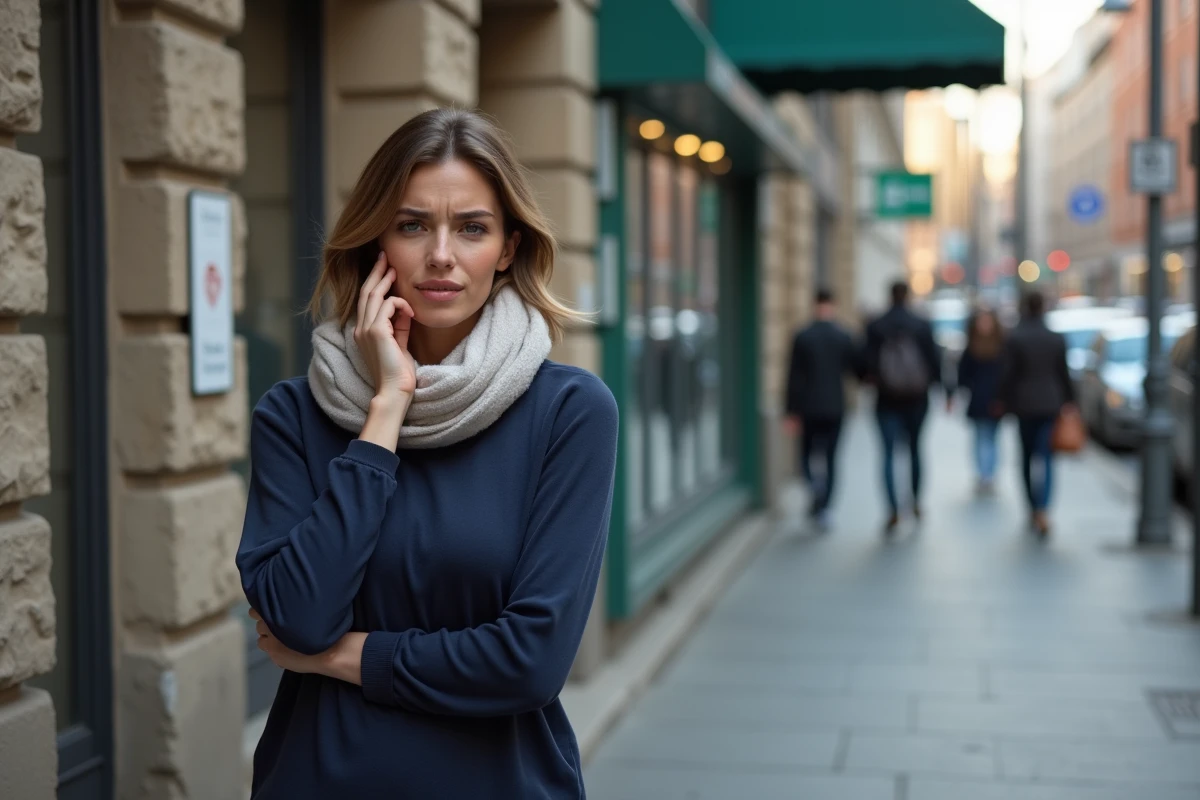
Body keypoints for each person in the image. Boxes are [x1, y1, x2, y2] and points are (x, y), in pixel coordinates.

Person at [235, 108, 619, 799]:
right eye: (413, 225)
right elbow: (297, 616)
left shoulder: (569, 413)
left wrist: (348, 656)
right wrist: (385, 412)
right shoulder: (293, 415)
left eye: (471, 227)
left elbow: (530, 661)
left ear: (507, 247)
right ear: (378, 240)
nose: (441, 254)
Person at [864, 281, 942, 533]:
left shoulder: (876, 325)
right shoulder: (921, 324)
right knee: (915, 450)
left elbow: (864, 363)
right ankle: (915, 501)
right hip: (917, 400)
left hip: (886, 400)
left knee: (887, 454)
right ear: (907, 296)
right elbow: (934, 361)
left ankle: (892, 509)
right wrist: (943, 389)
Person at [997, 290, 1075, 536]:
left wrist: (1001, 400)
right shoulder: (1055, 338)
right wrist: (1071, 401)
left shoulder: (1015, 337)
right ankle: (1043, 508)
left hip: (1024, 406)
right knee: (1047, 458)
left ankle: (1032, 507)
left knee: (1027, 458)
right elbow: (1064, 374)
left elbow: (1007, 375)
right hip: (1050, 404)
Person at [783, 288, 860, 526]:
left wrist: (790, 411)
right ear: (833, 305)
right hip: (835, 406)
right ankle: (825, 505)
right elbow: (856, 370)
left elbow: (794, 377)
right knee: (831, 458)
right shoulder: (843, 335)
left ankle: (815, 487)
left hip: (808, 407)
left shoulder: (803, 335)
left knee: (807, 455)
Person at [948, 308, 1006, 494]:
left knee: (991, 438)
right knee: (982, 437)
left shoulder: (1002, 347)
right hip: (979, 399)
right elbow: (962, 375)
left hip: (996, 399)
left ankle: (988, 474)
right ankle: (984, 475)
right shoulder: (973, 347)